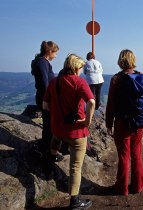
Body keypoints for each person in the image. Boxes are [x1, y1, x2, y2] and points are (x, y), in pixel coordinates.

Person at [43, 53, 95, 209]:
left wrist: (57, 113)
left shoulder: (54, 82)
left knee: (56, 138)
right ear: (75, 67)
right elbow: (91, 101)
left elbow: (45, 105)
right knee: (75, 167)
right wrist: (87, 121)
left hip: (58, 128)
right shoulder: (79, 82)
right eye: (81, 67)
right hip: (76, 131)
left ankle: (51, 158)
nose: (81, 70)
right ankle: (75, 201)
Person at [105, 49, 143, 196]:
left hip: (122, 123)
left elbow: (111, 104)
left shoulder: (116, 79)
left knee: (123, 156)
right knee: (136, 154)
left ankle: (122, 188)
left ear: (120, 61)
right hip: (139, 123)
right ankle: (138, 186)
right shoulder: (141, 76)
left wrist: (109, 123)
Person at [31, 41, 64, 163]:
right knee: (49, 125)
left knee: (48, 124)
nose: (56, 56)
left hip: (43, 97)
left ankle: (47, 150)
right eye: (56, 53)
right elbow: (45, 84)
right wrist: (50, 98)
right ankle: (47, 151)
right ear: (50, 51)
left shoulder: (41, 62)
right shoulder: (42, 63)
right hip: (45, 98)